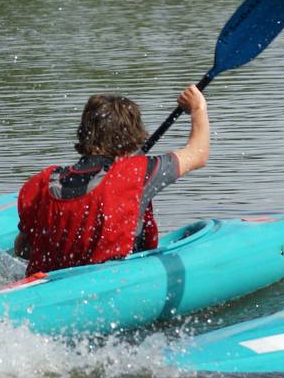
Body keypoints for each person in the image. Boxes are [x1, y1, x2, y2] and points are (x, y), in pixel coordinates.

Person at [14, 86, 209, 275]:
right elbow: (198, 154)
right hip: (111, 283)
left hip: (47, 287)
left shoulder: (42, 182)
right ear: (132, 136)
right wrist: (198, 108)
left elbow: (22, 250)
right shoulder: (137, 173)